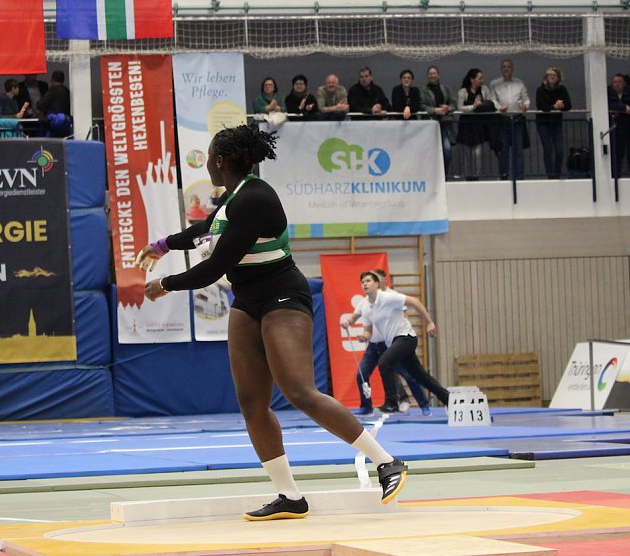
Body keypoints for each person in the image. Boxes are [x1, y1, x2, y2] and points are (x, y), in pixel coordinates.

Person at [135, 124, 407, 520]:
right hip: (247, 300)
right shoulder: (233, 198)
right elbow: (206, 230)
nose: (209, 162)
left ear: (219, 161)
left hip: (283, 295)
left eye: (210, 157)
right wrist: (162, 245)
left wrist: (165, 284)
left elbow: (214, 267)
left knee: (298, 390)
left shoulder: (255, 199)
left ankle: (387, 462)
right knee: (251, 402)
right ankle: (290, 496)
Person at [341, 272, 451, 413]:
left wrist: (429, 323)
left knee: (384, 362)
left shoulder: (388, 297)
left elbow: (415, 302)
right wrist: (363, 336)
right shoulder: (365, 306)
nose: (364, 284)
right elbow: (368, 329)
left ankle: (391, 403)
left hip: (406, 337)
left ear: (377, 284)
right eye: (362, 282)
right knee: (420, 376)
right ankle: (448, 399)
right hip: (393, 342)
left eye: (368, 281)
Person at [489, 59, 530, 180]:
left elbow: (526, 98)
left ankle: (519, 177)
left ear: (512, 69)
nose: (506, 69)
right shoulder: (495, 83)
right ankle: (504, 176)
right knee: (503, 151)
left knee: (518, 151)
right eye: (504, 67)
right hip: (503, 120)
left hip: (517, 119)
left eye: (508, 67)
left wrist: (526, 105)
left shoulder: (519, 83)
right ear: (501, 69)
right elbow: (492, 100)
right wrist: (499, 107)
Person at [457, 68, 499, 179]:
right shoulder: (463, 92)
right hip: (466, 125)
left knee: (478, 154)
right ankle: (467, 177)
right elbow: (460, 107)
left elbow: (491, 102)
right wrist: (473, 107)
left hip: (478, 125)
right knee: (467, 154)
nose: (482, 80)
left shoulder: (484, 90)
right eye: (480, 78)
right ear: (472, 80)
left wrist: (496, 107)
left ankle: (476, 177)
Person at [535, 67, 572, 178]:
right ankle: (550, 174)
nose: (551, 76)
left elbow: (569, 106)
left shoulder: (562, 90)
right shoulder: (540, 90)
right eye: (549, 74)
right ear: (546, 77)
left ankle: (557, 172)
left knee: (559, 150)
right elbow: (541, 106)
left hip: (556, 123)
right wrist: (553, 106)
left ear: (558, 78)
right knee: (548, 149)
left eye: (554, 75)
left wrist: (561, 106)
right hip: (543, 123)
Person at [420, 65, 457, 175]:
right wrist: (434, 110)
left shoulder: (446, 88)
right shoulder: (423, 90)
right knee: (430, 152)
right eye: (430, 74)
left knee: (447, 149)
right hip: (430, 124)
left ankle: (443, 175)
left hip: (445, 123)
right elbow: (421, 105)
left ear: (438, 75)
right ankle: (432, 175)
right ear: (428, 76)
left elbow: (454, 103)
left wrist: (447, 108)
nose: (432, 75)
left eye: (434, 73)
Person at [608, 73, 630, 179]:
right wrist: (623, 107)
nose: (617, 84)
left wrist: (625, 108)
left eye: (620, 82)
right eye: (615, 82)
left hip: (628, 125)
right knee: (617, 152)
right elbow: (609, 104)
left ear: (624, 83)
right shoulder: (608, 92)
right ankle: (616, 175)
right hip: (614, 127)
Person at [35, 70, 72, 137]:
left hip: (53, 124)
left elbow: (41, 105)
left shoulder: (52, 91)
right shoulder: (67, 91)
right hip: (65, 122)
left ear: (52, 79)